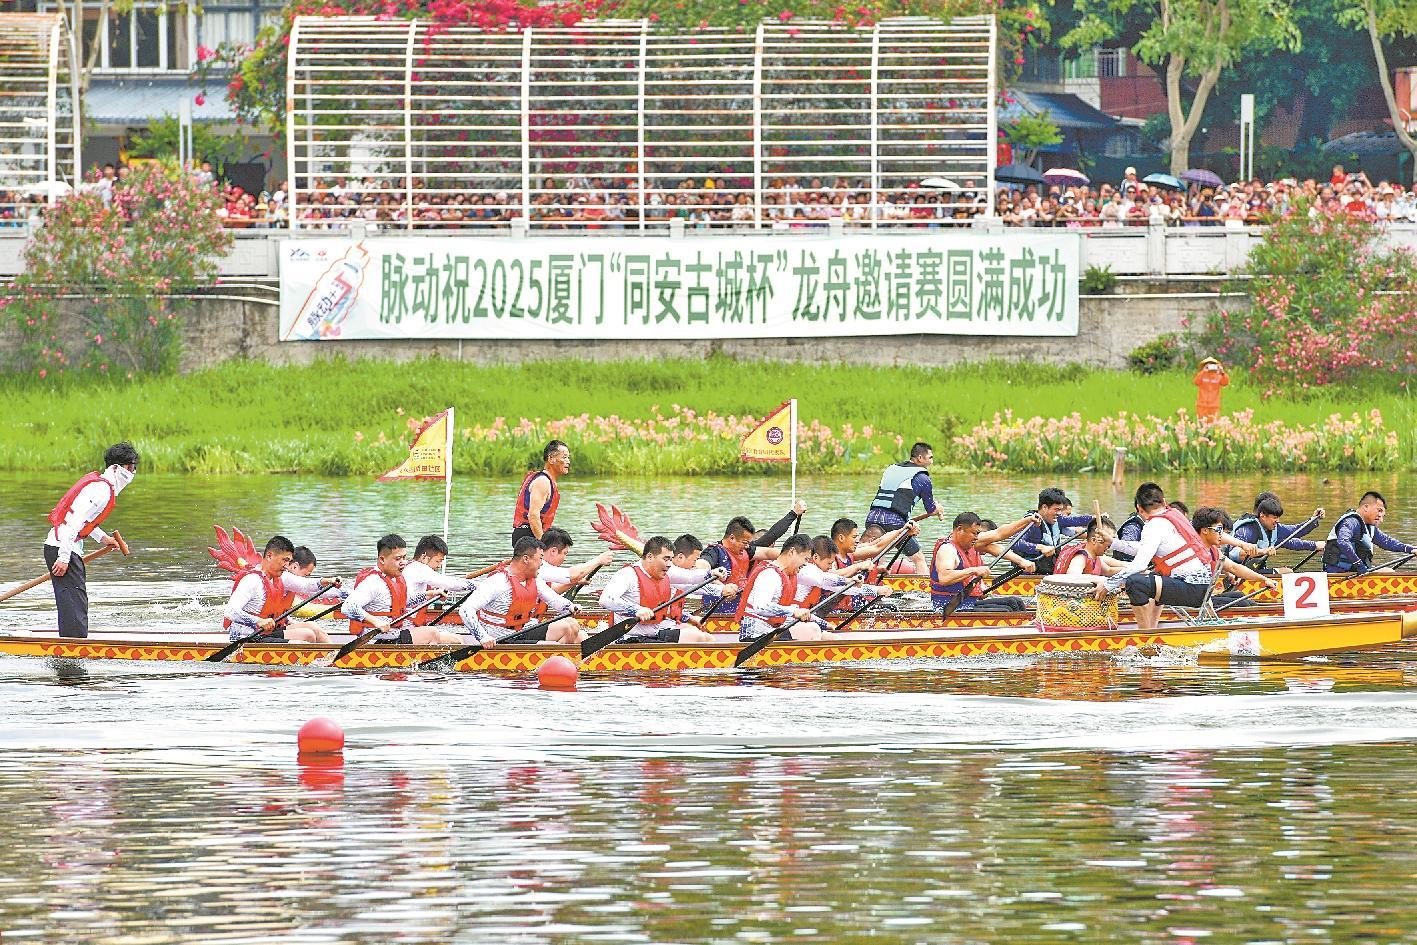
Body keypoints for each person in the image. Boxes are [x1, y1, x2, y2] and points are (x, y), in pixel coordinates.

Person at [1112, 506, 1276, 629]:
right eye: (1218, 530)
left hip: (1200, 595)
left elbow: (1234, 567)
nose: (1222, 535)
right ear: (1204, 531)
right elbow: (1141, 550)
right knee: (1242, 604)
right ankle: (1149, 632)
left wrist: (1263, 579)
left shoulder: (1211, 549)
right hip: (1189, 594)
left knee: (1241, 597)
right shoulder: (1187, 548)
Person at [42, 441, 139, 638]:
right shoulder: (100, 489)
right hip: (62, 547)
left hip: (65, 547)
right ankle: (74, 648)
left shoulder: (103, 488)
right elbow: (74, 520)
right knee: (74, 605)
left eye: (135, 468)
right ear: (115, 468)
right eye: (130, 467)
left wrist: (104, 538)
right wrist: (63, 557)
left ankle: (72, 643)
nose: (133, 473)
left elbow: (85, 523)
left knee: (75, 602)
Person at [458, 536, 584, 645]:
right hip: (501, 638)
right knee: (566, 628)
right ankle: (552, 661)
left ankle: (557, 661)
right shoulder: (498, 582)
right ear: (526, 559)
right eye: (540, 558)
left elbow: (554, 600)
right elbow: (465, 610)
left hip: (523, 630)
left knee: (576, 630)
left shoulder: (534, 580)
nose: (542, 564)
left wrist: (571, 607)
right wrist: (482, 637)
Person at [342, 534, 463, 645]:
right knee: (431, 633)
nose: (403, 563)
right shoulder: (373, 582)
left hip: (392, 636)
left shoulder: (395, 579)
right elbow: (347, 607)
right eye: (398, 559)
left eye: (404, 557)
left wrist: (429, 594)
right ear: (382, 559)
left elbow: (403, 602)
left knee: (453, 639)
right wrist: (375, 622)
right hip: (376, 641)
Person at [600, 536, 715, 643]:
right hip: (631, 637)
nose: (670, 564)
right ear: (650, 557)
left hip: (655, 631)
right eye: (666, 559)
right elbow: (605, 600)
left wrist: (689, 618)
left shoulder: (665, 575)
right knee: (697, 637)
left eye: (670, 559)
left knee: (705, 637)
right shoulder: (627, 575)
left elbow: (690, 580)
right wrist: (636, 610)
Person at [696, 501, 806, 613]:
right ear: (732, 538)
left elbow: (768, 552)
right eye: (744, 542)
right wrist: (721, 587)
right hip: (716, 613)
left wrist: (795, 558)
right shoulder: (714, 551)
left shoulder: (745, 550)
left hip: (740, 611)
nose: (748, 546)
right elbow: (700, 567)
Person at [223, 535, 334, 644]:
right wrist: (258, 621)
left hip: (267, 632)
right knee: (304, 639)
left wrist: (329, 581)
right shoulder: (252, 580)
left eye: (289, 561)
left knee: (311, 628)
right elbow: (230, 611)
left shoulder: (281, 577)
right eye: (285, 560)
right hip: (247, 637)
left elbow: (305, 585)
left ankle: (335, 657)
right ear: (270, 556)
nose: (287, 565)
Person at [928, 512, 1038, 612]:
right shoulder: (947, 549)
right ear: (959, 529)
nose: (977, 538)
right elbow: (944, 578)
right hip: (948, 607)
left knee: (1015, 602)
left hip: (966, 603)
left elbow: (999, 534)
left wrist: (1028, 520)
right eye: (974, 533)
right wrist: (974, 570)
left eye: (978, 534)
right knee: (1005, 611)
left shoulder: (968, 543)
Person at [865, 441, 946, 574]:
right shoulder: (923, 478)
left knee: (877, 555)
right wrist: (937, 509)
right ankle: (923, 593)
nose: (932, 461)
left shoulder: (891, 468)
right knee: (919, 558)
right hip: (895, 523)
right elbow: (930, 509)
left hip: (872, 517)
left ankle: (873, 583)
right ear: (920, 458)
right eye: (930, 457)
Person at [736, 534, 829, 642]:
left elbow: (825, 579)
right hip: (753, 636)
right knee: (812, 630)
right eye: (805, 559)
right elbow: (760, 607)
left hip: (769, 632)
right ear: (792, 552)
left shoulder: (785, 575)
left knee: (825, 635)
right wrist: (793, 611)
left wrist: (824, 623)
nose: (805, 564)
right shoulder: (769, 574)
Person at [1322, 491, 1416, 573]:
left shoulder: (1370, 528)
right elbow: (1342, 542)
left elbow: (1388, 542)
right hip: (1337, 574)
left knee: (1388, 571)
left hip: (1355, 573)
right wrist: (1358, 564)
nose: (1381, 518)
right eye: (1379, 511)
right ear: (1366, 507)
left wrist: (1411, 549)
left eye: (1382, 515)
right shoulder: (1351, 522)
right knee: (1388, 572)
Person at [1227, 493, 1324, 574]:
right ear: (1262, 514)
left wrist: (1315, 543)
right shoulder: (1247, 529)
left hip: (1255, 571)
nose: (1277, 521)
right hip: (1233, 572)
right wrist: (1263, 551)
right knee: (1287, 572)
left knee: (1288, 571)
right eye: (1274, 516)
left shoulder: (1272, 528)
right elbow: (1234, 554)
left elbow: (1293, 535)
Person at [1012, 487, 1095, 575]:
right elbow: (1015, 543)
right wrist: (1040, 547)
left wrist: (1095, 518)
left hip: (1048, 572)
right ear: (1044, 507)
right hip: (1029, 573)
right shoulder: (1032, 522)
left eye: (1060, 509)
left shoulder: (1057, 519)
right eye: (1057, 509)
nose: (1059, 513)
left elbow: (1076, 520)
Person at [511, 439, 570, 550]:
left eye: (568, 458)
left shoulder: (549, 481)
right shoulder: (543, 481)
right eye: (564, 457)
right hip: (527, 536)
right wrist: (544, 547)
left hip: (531, 536)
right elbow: (533, 516)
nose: (568, 461)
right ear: (551, 459)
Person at [403, 535, 475, 626]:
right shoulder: (419, 569)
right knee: (456, 639)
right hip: (406, 624)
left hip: (408, 620)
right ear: (424, 557)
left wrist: (433, 593)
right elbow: (451, 584)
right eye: (438, 561)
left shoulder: (409, 565)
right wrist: (478, 586)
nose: (440, 565)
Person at [539, 527, 615, 596]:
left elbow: (552, 590)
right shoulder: (538, 566)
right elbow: (573, 574)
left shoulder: (541, 565)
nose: (565, 559)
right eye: (565, 553)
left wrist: (576, 581)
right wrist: (599, 560)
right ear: (553, 551)